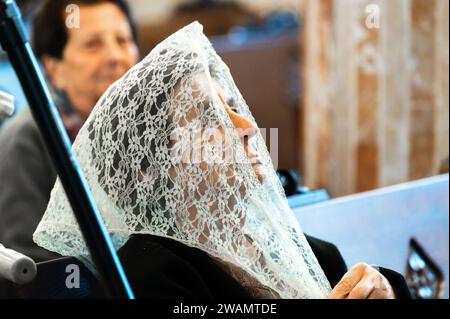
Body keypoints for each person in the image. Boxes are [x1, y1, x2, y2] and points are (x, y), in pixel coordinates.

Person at [33, 22, 410, 299]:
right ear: (152, 167)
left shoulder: (318, 254)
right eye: (209, 117)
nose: (246, 127)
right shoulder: (150, 276)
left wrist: (388, 289)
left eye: (233, 107)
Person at [0, 0, 139, 262]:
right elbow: (33, 269)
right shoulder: (26, 140)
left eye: (122, 40)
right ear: (53, 68)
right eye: (93, 45)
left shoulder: (148, 131)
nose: (115, 56)